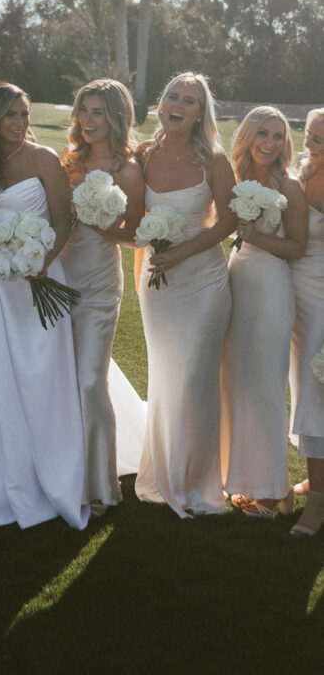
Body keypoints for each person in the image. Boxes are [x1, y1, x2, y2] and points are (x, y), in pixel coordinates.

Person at [0, 83, 89, 529]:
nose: (19, 122)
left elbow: (64, 220)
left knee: (44, 375)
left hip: (39, 277)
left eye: (24, 114)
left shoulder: (45, 159)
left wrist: (40, 263)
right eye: (10, 114)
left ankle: (53, 469)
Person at [134, 72, 235, 518]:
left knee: (196, 380)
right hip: (159, 288)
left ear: (199, 113)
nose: (177, 105)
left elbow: (231, 222)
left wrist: (183, 253)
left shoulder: (213, 159)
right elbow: (131, 217)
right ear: (161, 103)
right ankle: (163, 477)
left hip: (205, 284)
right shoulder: (141, 156)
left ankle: (196, 485)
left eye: (188, 101)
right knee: (167, 378)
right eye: (172, 96)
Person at [60, 79, 146, 519]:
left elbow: (136, 234)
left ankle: (101, 485)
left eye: (98, 112)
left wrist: (99, 225)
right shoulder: (69, 158)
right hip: (57, 278)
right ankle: (62, 472)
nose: (88, 120)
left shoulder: (129, 169)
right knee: (59, 379)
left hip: (97, 284)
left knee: (91, 381)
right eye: (84, 110)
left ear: (116, 117)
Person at [221, 106, 307, 518]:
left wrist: (255, 236)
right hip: (237, 283)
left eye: (278, 136)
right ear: (248, 137)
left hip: (271, 288)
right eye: (263, 134)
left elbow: (298, 247)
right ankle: (262, 484)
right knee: (238, 385)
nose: (270, 144)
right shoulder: (236, 178)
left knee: (266, 390)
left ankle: (272, 493)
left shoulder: (288, 185)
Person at [288, 108, 324, 536]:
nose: (311, 144)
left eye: (321, 139)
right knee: (304, 388)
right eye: (309, 135)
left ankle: (317, 507)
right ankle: (317, 478)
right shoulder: (303, 168)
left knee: (317, 397)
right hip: (294, 295)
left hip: (321, 297)